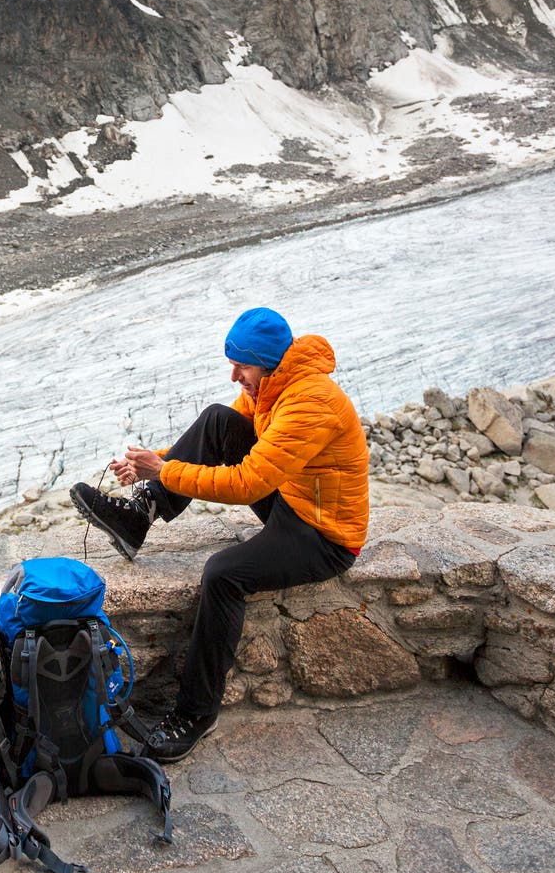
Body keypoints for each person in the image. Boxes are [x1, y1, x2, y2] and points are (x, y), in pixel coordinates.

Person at [69, 307, 368, 762]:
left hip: (325, 534)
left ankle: (195, 713)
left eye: (241, 367)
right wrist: (153, 463)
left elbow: (248, 482)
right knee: (216, 419)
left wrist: (165, 470)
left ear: (267, 364)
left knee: (224, 574)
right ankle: (139, 515)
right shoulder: (273, 384)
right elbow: (215, 440)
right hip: (292, 501)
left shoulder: (311, 401)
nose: (234, 376)